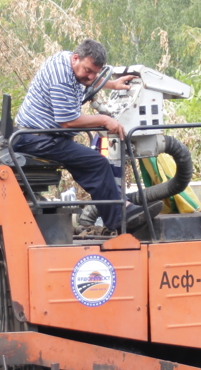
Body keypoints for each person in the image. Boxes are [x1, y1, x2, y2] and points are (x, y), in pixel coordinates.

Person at [12, 39, 144, 232]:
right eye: (88, 70)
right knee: (97, 164)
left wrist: (113, 85)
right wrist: (104, 120)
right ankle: (119, 219)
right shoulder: (61, 76)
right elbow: (68, 121)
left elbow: (88, 79)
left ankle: (120, 208)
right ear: (76, 58)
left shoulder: (69, 63)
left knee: (91, 163)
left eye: (95, 73)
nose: (90, 76)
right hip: (36, 138)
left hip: (43, 135)